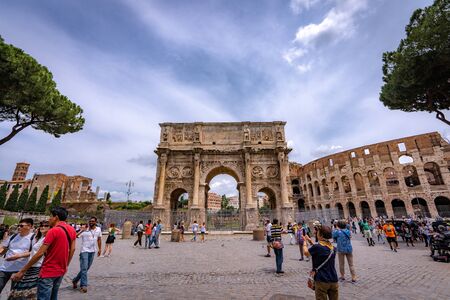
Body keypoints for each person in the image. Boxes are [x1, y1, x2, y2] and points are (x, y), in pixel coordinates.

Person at [12, 207, 76, 300]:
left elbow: (39, 253)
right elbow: (73, 249)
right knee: (53, 297)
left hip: (48, 271)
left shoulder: (53, 231)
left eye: (50, 216)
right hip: (61, 271)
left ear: (56, 217)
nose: (49, 218)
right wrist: (66, 265)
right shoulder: (71, 229)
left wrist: (22, 270)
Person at [8, 221, 50, 299]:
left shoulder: (46, 239)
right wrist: (19, 255)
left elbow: (39, 254)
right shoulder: (41, 238)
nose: (43, 227)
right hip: (32, 266)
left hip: (36, 268)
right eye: (41, 225)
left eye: (46, 225)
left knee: (23, 294)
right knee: (24, 293)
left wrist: (23, 270)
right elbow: (33, 252)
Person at [0, 218, 35, 293]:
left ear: (29, 226)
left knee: (14, 293)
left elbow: (35, 252)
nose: (19, 227)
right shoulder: (13, 236)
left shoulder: (33, 238)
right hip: (5, 268)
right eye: (18, 225)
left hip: (19, 270)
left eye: (21, 226)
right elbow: (3, 247)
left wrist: (19, 256)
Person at [304, 226, 339, 300]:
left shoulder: (317, 247)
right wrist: (310, 241)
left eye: (318, 232)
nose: (316, 233)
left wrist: (304, 242)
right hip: (334, 280)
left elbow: (306, 253)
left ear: (321, 235)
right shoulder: (333, 248)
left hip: (322, 280)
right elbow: (321, 249)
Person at [72, 217, 102, 293]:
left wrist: (100, 249)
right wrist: (82, 230)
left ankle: (75, 280)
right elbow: (75, 236)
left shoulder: (98, 229)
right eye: (90, 221)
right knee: (84, 268)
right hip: (84, 251)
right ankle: (83, 285)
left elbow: (99, 239)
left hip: (93, 251)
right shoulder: (85, 230)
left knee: (86, 268)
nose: (91, 222)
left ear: (96, 222)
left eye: (93, 221)